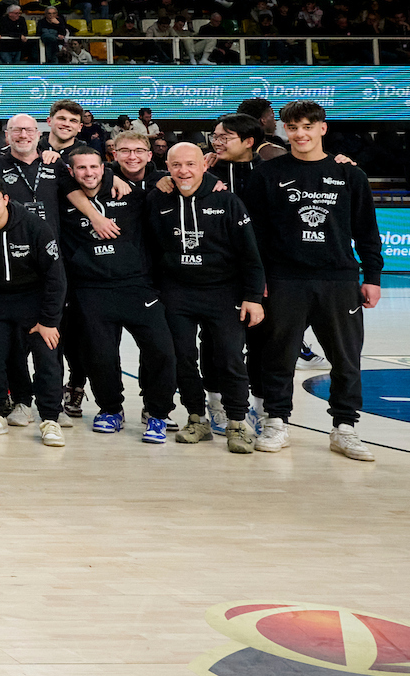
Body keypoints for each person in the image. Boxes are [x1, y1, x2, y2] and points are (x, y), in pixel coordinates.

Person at [243, 101, 383, 461]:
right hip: (285, 278)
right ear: (284, 131)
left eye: (307, 126)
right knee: (278, 356)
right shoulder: (266, 174)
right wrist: (257, 279)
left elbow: (367, 230)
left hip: (338, 278)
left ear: (323, 128)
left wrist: (372, 276)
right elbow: (254, 234)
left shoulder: (351, 175)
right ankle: (275, 421)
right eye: (293, 127)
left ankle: (345, 427)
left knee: (346, 358)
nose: (300, 134)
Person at [53, 142, 178, 443]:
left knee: (162, 351)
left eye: (94, 167)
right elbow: (57, 176)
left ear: (104, 167)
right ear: (72, 171)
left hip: (136, 286)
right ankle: (111, 409)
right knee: (100, 356)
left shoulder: (129, 194)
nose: (88, 173)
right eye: (81, 168)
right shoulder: (61, 197)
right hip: (90, 288)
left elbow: (173, 184)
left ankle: (157, 413)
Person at [148, 141, 265, 454]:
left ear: (203, 165)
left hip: (223, 291)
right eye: (176, 165)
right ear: (167, 168)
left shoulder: (226, 200)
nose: (183, 171)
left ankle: (238, 423)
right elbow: (150, 249)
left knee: (229, 356)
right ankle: (196, 418)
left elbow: (250, 255)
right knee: (182, 357)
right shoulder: (158, 201)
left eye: (190, 164)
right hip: (177, 292)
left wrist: (253, 296)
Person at [0, 178, 67, 447]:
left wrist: (49, 320)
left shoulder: (34, 226)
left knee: (46, 358)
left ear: (5, 199)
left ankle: (50, 419)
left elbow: (56, 277)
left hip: (35, 298)